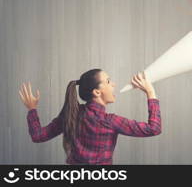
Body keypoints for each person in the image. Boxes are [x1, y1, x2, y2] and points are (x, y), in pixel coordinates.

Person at [18, 69, 161, 164]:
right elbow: (154, 128)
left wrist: (32, 109)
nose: (114, 84)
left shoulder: (71, 114)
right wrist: (150, 92)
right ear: (97, 92)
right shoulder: (110, 121)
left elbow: (38, 136)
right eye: (108, 81)